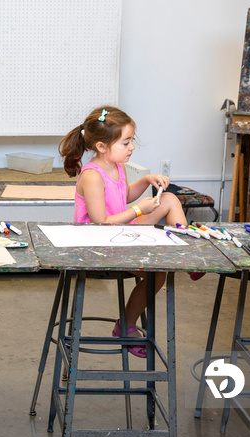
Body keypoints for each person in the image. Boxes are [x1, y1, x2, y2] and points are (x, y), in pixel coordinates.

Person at [59, 105, 190, 358]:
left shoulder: (116, 165)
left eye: (131, 141)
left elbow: (124, 195)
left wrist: (145, 181)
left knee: (170, 199)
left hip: (119, 234)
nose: (131, 147)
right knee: (157, 273)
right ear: (101, 147)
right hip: (98, 244)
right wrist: (139, 210)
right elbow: (101, 222)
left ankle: (189, 254)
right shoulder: (92, 176)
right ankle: (125, 327)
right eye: (126, 142)